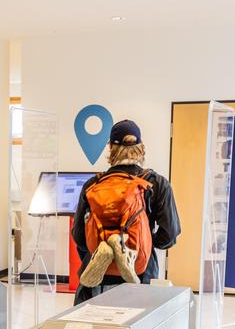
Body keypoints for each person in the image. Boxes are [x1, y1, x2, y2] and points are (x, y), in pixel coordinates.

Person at [72, 119, 180, 304]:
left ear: (110, 149)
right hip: (141, 273)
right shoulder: (157, 183)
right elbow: (169, 235)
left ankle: (107, 249)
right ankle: (125, 252)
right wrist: (143, 240)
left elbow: (79, 238)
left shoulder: (93, 185)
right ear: (140, 147)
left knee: (99, 328)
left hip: (98, 279)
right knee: (137, 327)